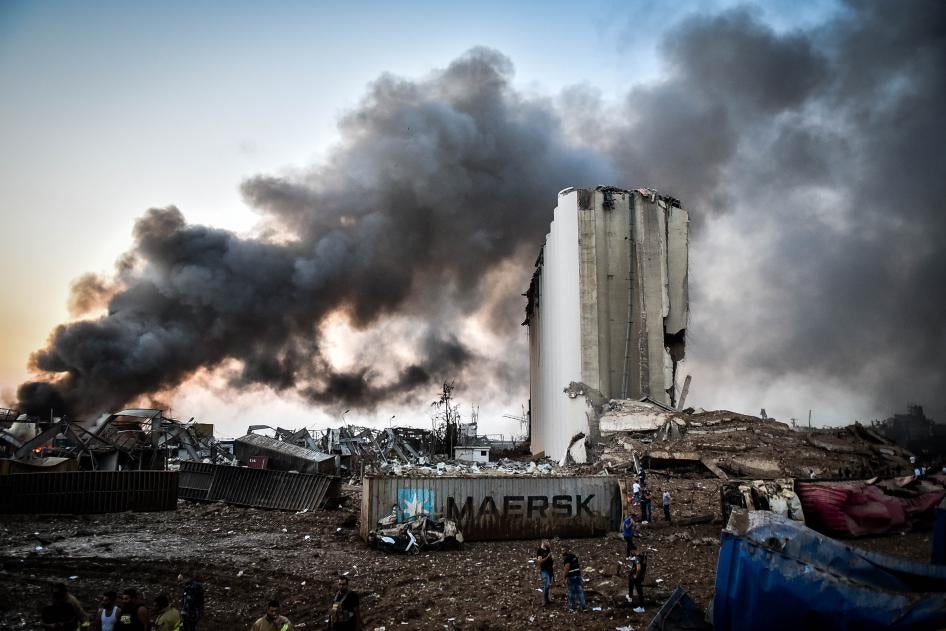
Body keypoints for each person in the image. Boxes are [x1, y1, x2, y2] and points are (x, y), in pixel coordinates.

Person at [561, 545, 587, 612]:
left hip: (572, 577)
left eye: (563, 550)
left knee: (571, 593)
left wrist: (564, 578)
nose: (562, 552)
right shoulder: (574, 556)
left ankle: (572, 608)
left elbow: (567, 568)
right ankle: (584, 607)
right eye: (562, 550)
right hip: (578, 575)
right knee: (580, 592)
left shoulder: (567, 558)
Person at [535, 539, 554, 605]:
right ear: (543, 542)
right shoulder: (539, 550)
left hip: (550, 570)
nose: (548, 543)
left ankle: (547, 599)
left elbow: (551, 559)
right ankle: (545, 600)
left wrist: (552, 558)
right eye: (547, 541)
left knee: (548, 585)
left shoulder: (548, 549)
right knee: (547, 583)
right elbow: (539, 562)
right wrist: (547, 557)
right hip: (544, 570)